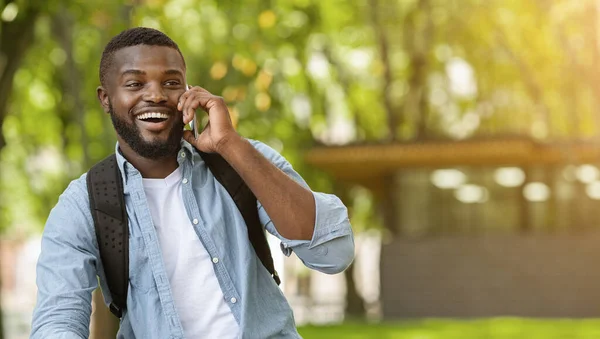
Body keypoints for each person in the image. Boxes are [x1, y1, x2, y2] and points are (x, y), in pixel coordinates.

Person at [30, 27, 354, 339]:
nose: (155, 95)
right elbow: (57, 317)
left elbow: (332, 253)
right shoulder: (82, 205)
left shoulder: (243, 159)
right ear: (105, 98)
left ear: (188, 93)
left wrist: (230, 144)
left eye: (171, 82)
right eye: (134, 84)